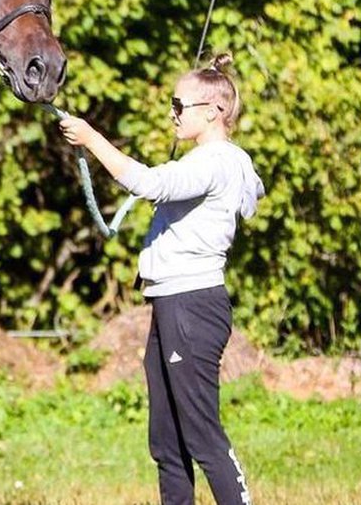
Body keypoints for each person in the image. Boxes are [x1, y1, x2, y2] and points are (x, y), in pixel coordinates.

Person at [59, 53, 264, 505]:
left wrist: (92, 138)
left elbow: (149, 184)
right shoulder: (216, 160)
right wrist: (209, 81)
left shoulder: (217, 162)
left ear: (213, 112)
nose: (172, 114)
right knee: (167, 442)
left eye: (179, 105)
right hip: (171, 304)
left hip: (192, 306)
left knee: (202, 436)